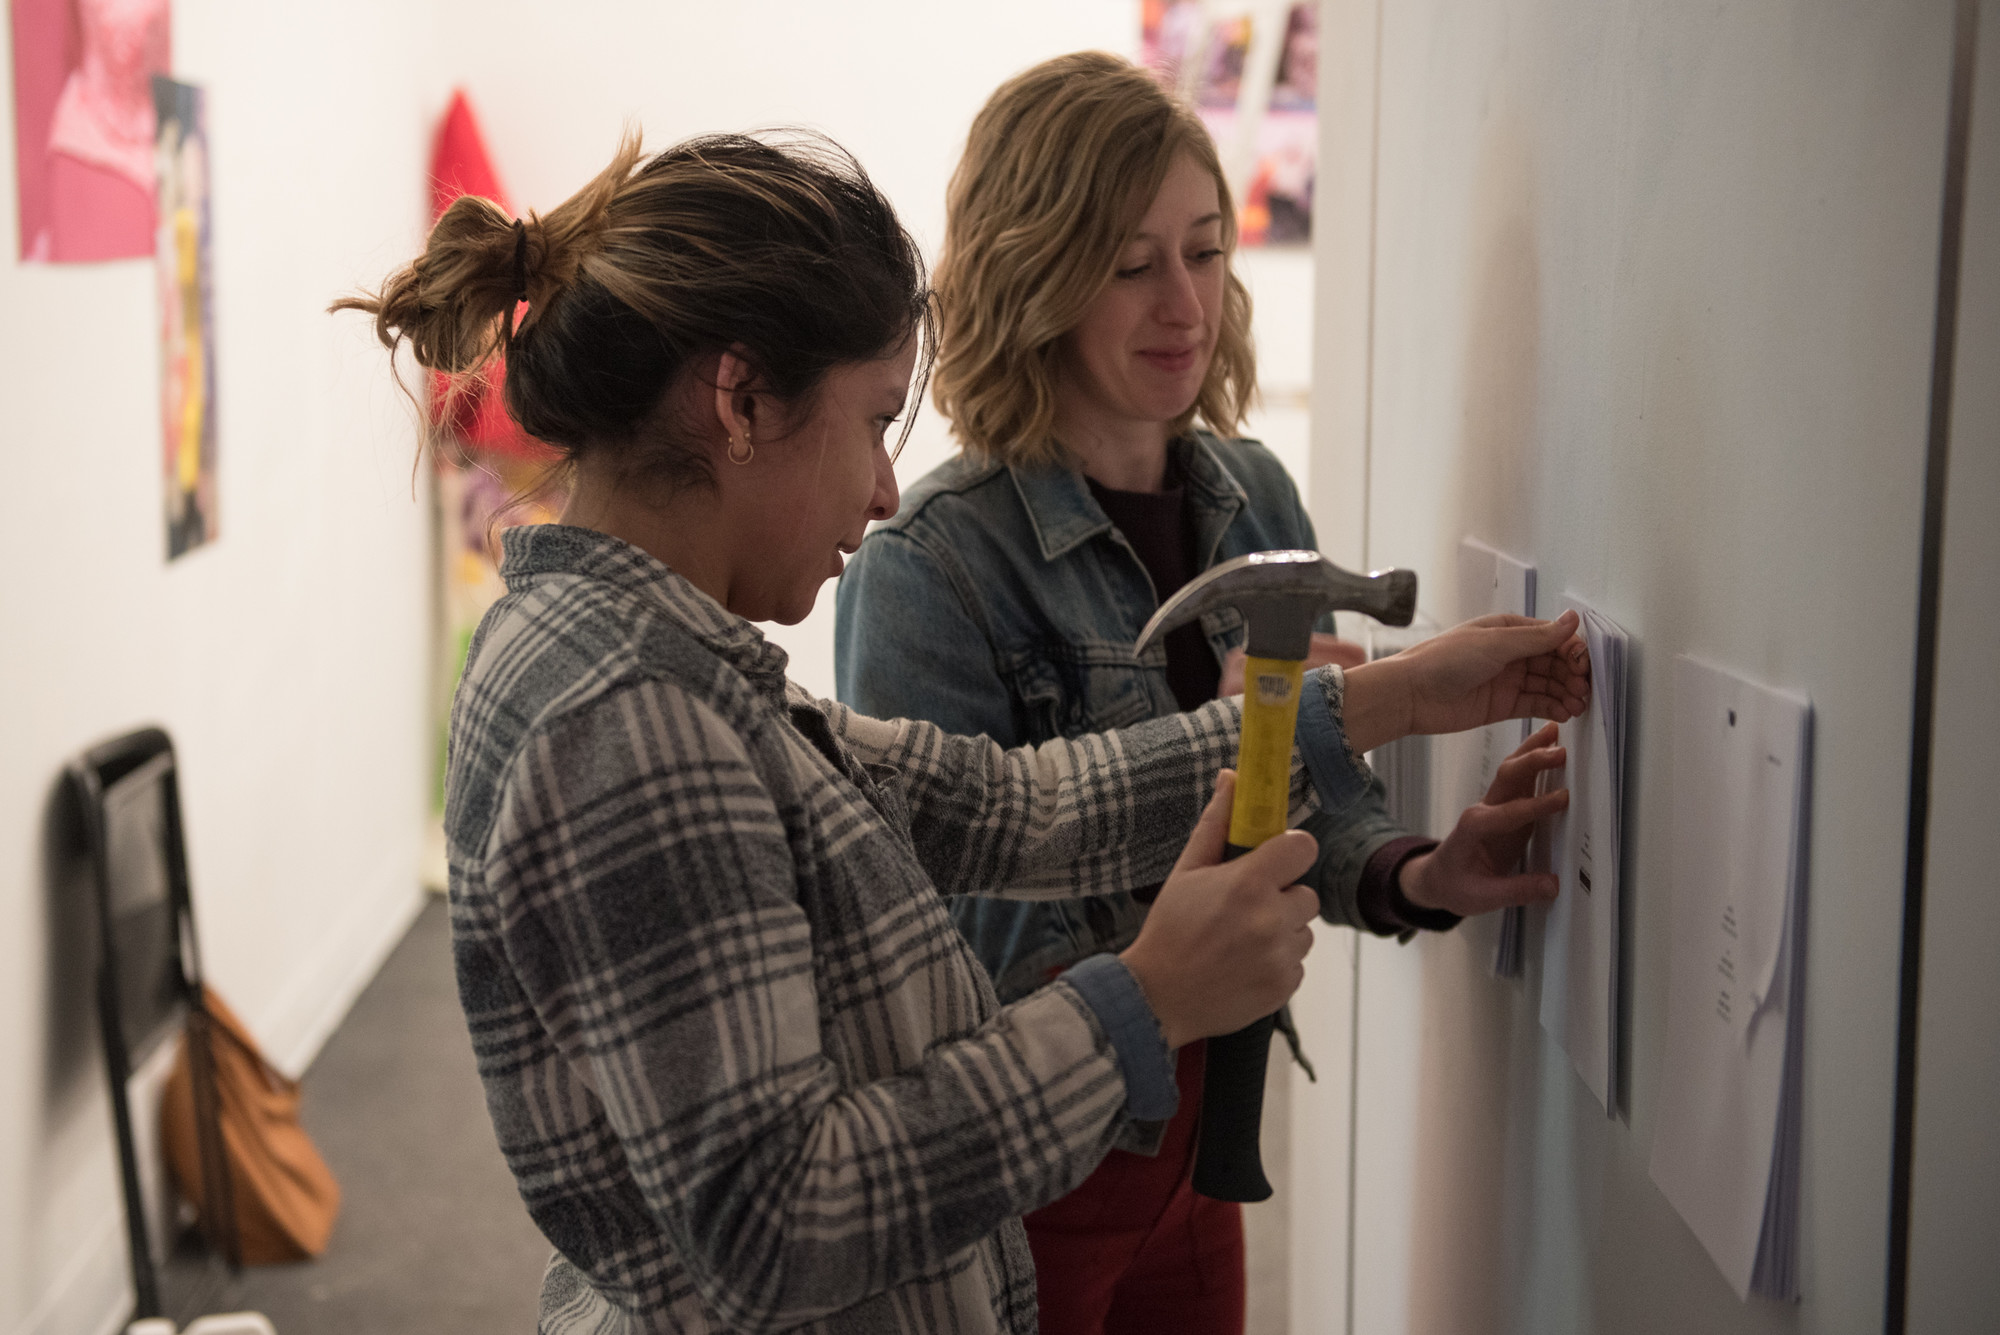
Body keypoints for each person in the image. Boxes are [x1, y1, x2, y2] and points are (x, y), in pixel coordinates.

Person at [336, 129, 1588, 1334]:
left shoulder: (665, 666)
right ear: (742, 400)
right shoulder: (625, 719)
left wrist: (1387, 699)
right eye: (876, 417)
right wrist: (1143, 1004)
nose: (884, 488)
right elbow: (782, 1221)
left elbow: (1011, 807)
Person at [834, 53, 1571, 1335]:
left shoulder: (1254, 502)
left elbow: (1308, 816)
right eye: (1128, 264)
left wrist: (1412, 872)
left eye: (1205, 250)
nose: (1182, 303)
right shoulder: (929, 567)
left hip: (1203, 1137)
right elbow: (947, 956)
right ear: (1034, 274)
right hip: (1032, 1165)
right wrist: (1212, 744)